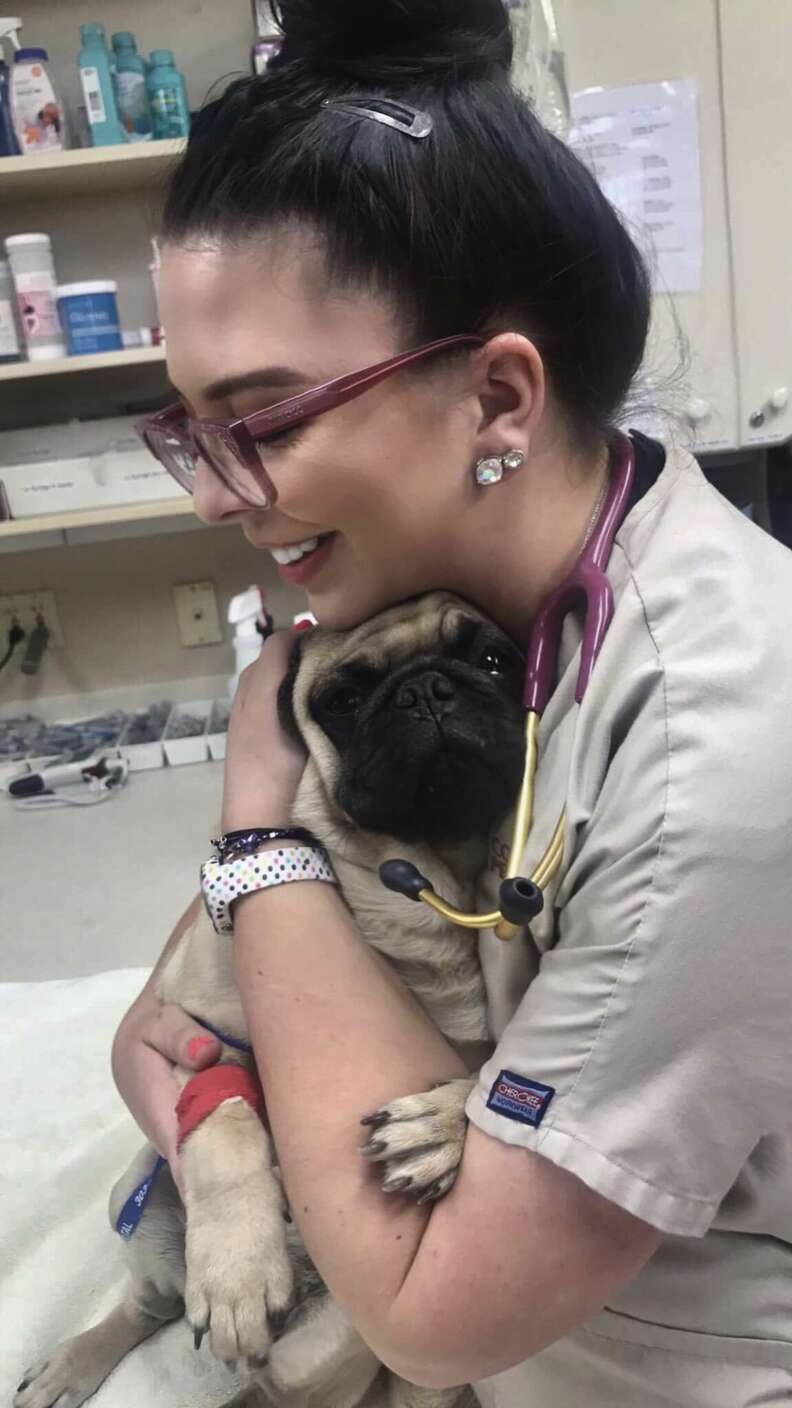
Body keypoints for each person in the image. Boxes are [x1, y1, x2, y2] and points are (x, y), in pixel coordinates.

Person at [112, 1, 792, 1403]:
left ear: (496, 396)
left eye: (268, 420)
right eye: (190, 427)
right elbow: (166, 1030)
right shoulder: (411, 603)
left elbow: (431, 1311)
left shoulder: (714, 755)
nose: (216, 495)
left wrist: (258, 835)